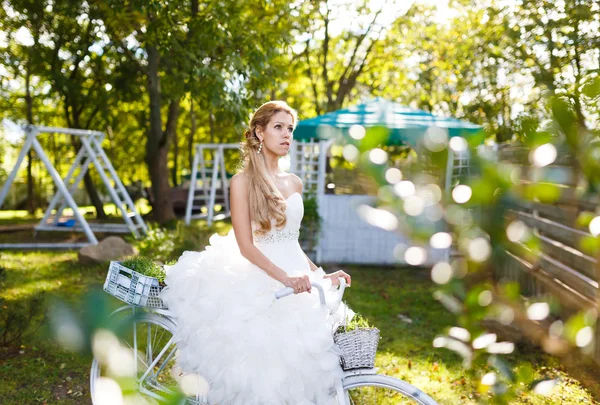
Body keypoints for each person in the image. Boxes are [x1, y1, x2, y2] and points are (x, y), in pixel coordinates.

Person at [161, 100, 356, 405]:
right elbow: (246, 246)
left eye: (290, 129)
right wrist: (285, 279)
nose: (286, 134)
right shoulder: (242, 182)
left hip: (296, 277)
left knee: (302, 365)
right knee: (259, 374)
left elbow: (292, 241)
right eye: (278, 127)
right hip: (259, 277)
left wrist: (319, 273)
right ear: (259, 132)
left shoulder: (295, 182)